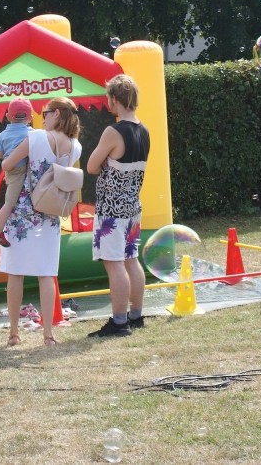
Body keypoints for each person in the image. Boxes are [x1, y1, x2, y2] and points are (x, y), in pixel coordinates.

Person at [0, 97, 82, 347]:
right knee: (47, 274)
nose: (42, 117)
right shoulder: (75, 146)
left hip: (22, 214)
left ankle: (14, 333)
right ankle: (48, 335)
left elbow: (6, 163)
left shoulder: (35, 138)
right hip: (50, 214)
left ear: (56, 114)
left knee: (15, 274)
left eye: (45, 113)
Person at [87, 74, 150, 338]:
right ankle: (135, 316)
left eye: (108, 98)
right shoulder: (143, 130)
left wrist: (104, 164)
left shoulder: (113, 131)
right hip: (133, 207)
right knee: (131, 261)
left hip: (112, 211)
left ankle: (119, 322)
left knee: (114, 265)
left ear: (115, 98)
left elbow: (91, 166)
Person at [0, 98, 33, 247]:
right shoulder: (32, 133)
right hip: (20, 170)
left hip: (12, 170)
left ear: (8, 117)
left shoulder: (2, 135)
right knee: (10, 202)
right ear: (31, 118)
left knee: (11, 195)